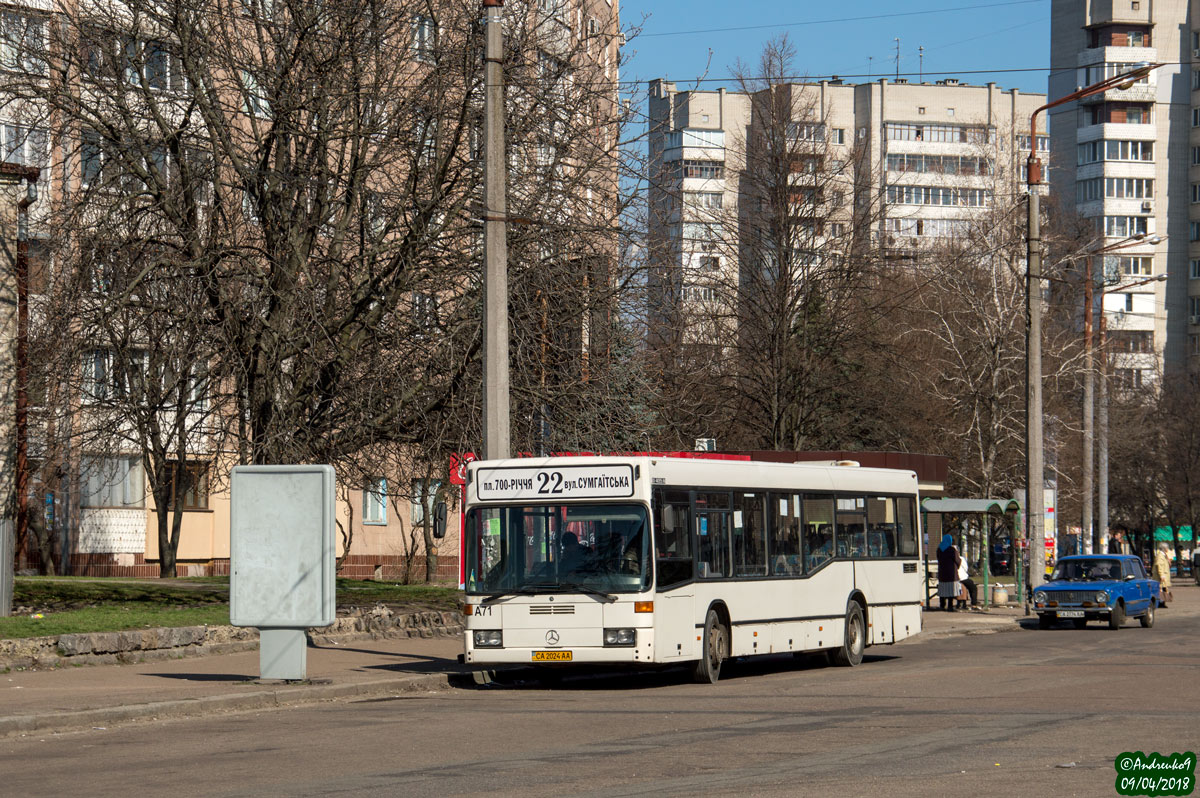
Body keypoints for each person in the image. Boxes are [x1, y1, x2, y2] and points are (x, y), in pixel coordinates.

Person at [936, 533, 961, 612]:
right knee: (951, 590)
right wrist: (958, 565)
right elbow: (958, 560)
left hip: (942, 573)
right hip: (951, 574)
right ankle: (950, 606)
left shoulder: (939, 549)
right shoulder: (952, 550)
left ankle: (942, 605)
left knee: (943, 589)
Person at [1152, 541, 1173, 608]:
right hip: (1160, 576)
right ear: (1164, 548)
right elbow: (1159, 565)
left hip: (1163, 575)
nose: (1168, 549)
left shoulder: (1163, 555)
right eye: (1167, 548)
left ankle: (1162, 602)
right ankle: (1160, 603)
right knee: (1160, 589)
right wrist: (1161, 575)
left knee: (1163, 589)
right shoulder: (1160, 556)